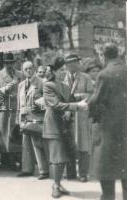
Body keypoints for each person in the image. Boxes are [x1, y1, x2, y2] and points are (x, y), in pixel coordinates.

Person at [86, 43, 127, 200]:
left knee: (106, 168)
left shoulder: (105, 74)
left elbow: (96, 101)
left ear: (104, 55)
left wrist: (88, 104)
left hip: (109, 130)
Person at [43, 57, 87, 198]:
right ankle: (55, 185)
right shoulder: (48, 85)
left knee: (63, 157)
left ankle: (58, 184)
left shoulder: (65, 86)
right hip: (54, 125)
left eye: (64, 69)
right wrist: (75, 107)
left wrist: (71, 109)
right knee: (57, 157)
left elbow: (70, 101)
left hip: (65, 125)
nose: (63, 72)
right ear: (54, 71)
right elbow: (55, 104)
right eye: (60, 70)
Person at [16, 61, 49, 179]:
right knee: (25, 144)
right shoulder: (21, 85)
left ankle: (43, 170)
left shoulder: (41, 82)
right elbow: (19, 104)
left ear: (34, 69)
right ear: (23, 71)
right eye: (25, 69)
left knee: (37, 143)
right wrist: (18, 119)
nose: (28, 71)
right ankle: (27, 169)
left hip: (36, 118)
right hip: (24, 118)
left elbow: (48, 99)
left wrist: (38, 105)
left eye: (30, 68)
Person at [63, 53, 94, 182]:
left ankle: (83, 173)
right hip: (67, 115)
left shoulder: (86, 78)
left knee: (83, 144)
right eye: (69, 64)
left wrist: (79, 96)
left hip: (81, 115)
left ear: (78, 63)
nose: (72, 66)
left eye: (74, 63)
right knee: (69, 144)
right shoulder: (63, 79)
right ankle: (70, 172)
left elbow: (92, 95)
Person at [0, 52, 24, 170]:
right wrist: (5, 89)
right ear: (4, 63)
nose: (9, 65)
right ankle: (5, 160)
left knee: (15, 132)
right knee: (4, 132)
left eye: (11, 62)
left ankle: (15, 159)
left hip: (16, 107)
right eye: (7, 63)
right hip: (4, 108)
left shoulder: (20, 74)